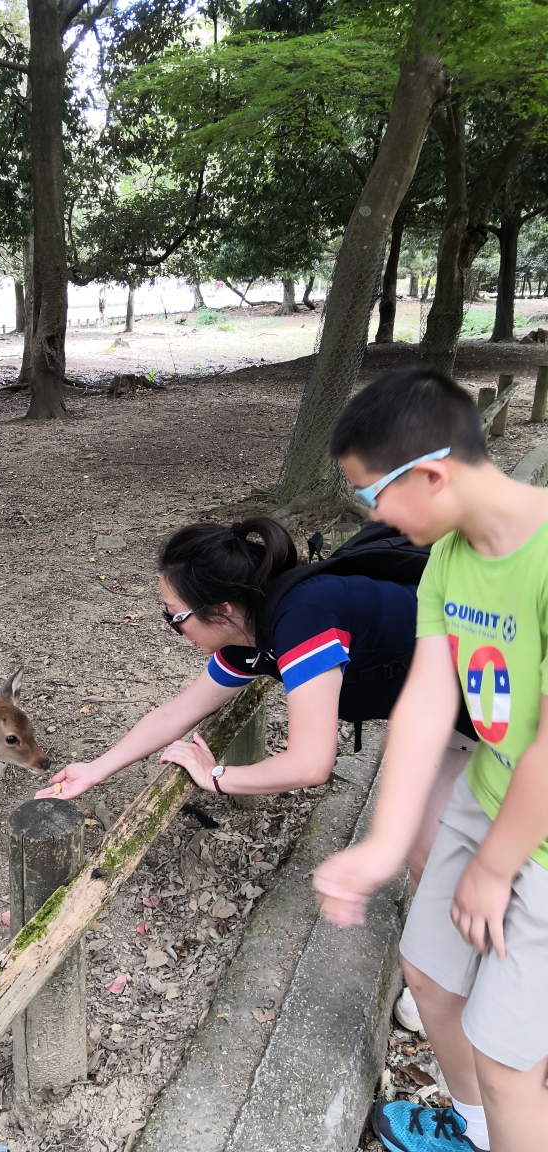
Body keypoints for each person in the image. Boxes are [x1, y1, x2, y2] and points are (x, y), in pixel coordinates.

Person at [38, 512, 475, 1032]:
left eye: (174, 618)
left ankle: (469, 993)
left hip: (500, 700)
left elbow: (312, 763)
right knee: (429, 852)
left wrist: (217, 777)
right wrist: (95, 770)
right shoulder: (250, 636)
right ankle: (451, 982)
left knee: (462, 857)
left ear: (221, 609)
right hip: (442, 707)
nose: (173, 631)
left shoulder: (303, 619)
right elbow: (176, 712)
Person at [314, 366, 548, 1152]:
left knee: (509, 1057)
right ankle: (478, 1131)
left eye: (369, 494)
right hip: (490, 793)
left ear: (434, 474)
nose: (370, 514)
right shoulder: (450, 558)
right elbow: (425, 700)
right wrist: (383, 844)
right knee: (432, 977)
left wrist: (494, 866)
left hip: (542, 834)